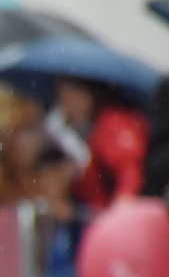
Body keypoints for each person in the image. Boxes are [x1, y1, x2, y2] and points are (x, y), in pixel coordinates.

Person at [49, 75, 148, 208]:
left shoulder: (112, 121)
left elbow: (130, 170)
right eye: (62, 94)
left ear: (91, 91)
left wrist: (120, 209)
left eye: (75, 91)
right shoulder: (67, 130)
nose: (68, 100)